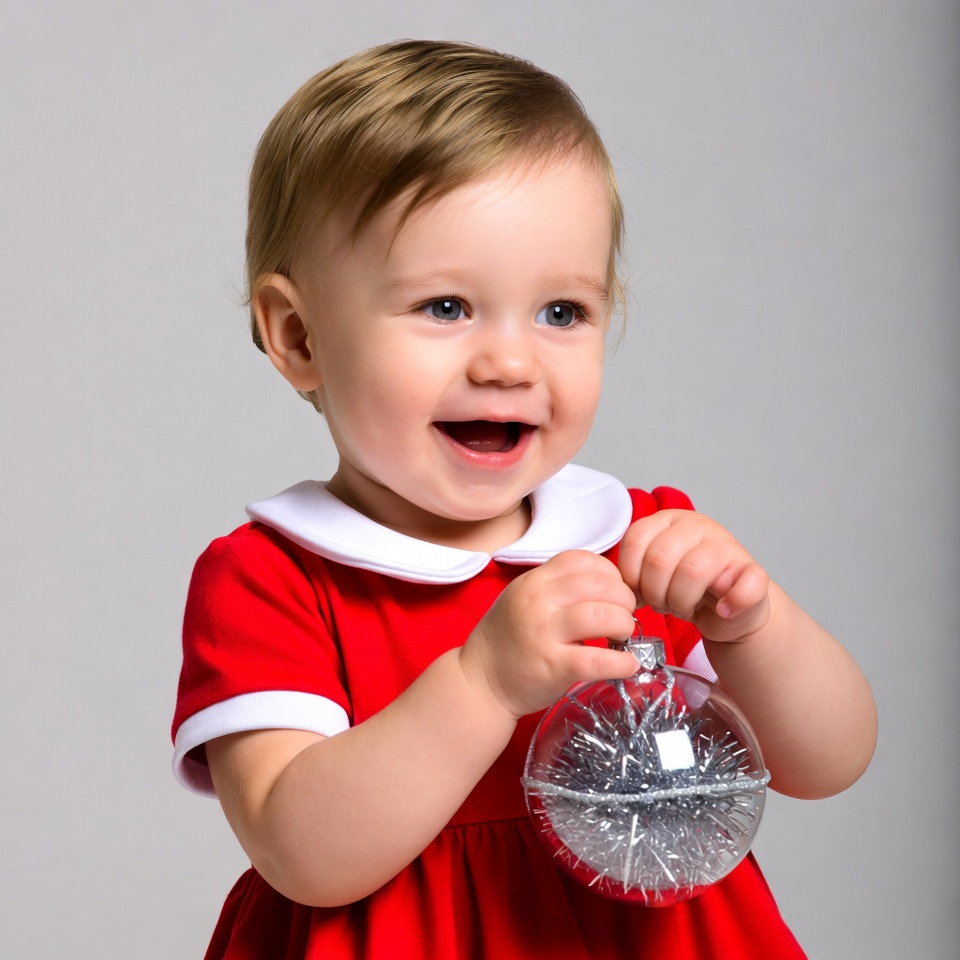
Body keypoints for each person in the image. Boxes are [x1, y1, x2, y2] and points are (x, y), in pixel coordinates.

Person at [172, 39, 877, 959]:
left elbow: (830, 762)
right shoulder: (273, 580)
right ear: (300, 336)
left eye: (561, 313)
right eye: (445, 307)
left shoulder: (637, 539)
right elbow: (303, 851)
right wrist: (480, 683)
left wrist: (756, 629)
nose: (510, 363)